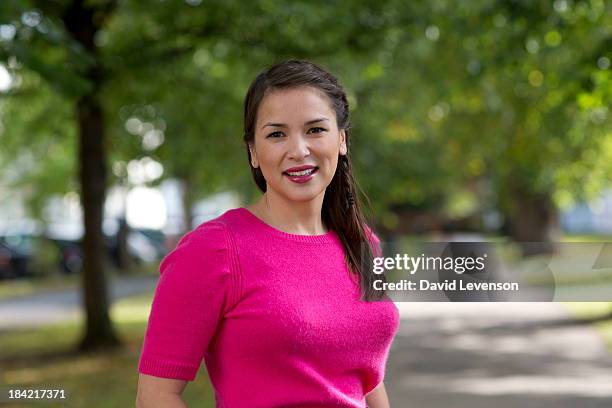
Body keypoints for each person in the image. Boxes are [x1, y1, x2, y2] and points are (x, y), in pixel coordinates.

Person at [136, 60, 399, 408]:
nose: (298, 150)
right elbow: (155, 396)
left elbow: (366, 381)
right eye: (276, 134)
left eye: (315, 130)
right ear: (253, 152)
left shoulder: (362, 243)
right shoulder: (212, 250)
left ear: (342, 140)